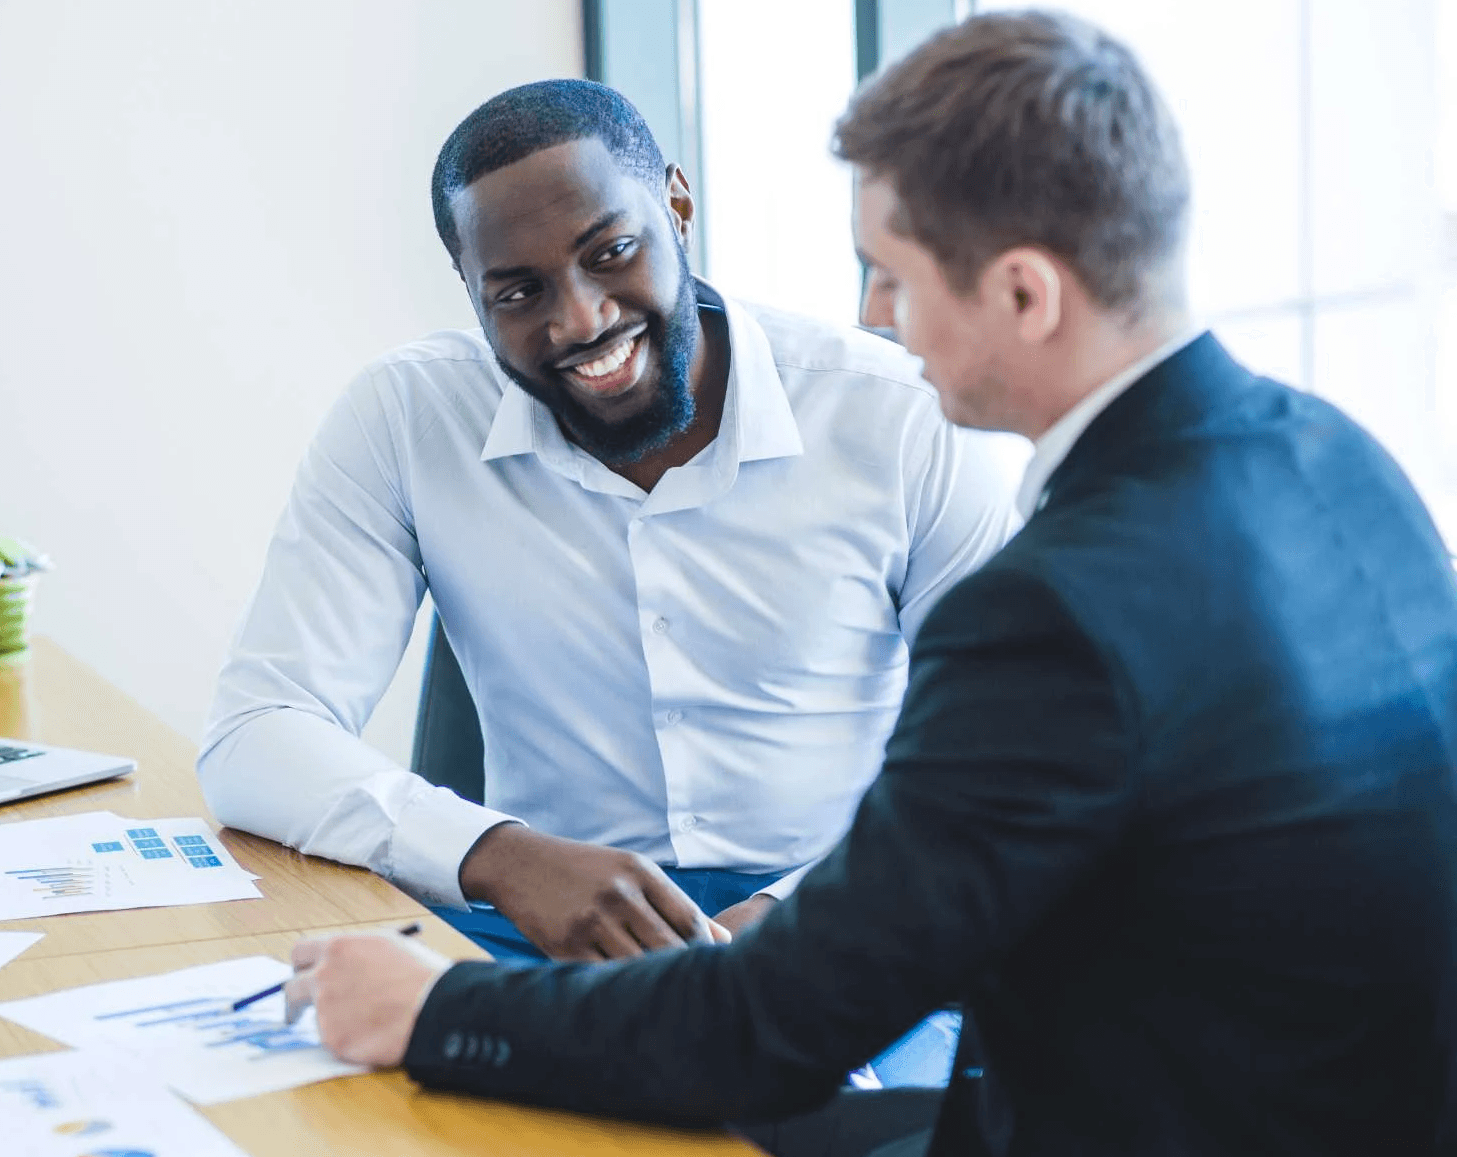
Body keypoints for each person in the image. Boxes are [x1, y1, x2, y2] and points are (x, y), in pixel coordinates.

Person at [285, 12, 1457, 1157]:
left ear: (1023, 294)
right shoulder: (1339, 456)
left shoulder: (1053, 611)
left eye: (891, 274)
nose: (871, 315)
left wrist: (431, 1009)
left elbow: (768, 1030)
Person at [198, 75, 1018, 1009]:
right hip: (534, 931)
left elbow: (1006, 757)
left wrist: (802, 913)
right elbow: (257, 733)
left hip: (849, 916)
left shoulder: (902, 418)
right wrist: (501, 855)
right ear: (470, 290)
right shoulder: (406, 416)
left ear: (677, 206)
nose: (580, 320)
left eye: (611, 252)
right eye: (519, 291)